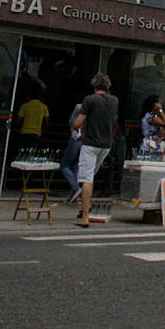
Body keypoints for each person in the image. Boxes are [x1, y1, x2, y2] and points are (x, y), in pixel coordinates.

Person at [71, 73, 118, 228]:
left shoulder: (89, 100)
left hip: (90, 144)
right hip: (106, 144)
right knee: (91, 175)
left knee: (86, 179)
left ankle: (85, 216)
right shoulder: (114, 101)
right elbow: (114, 121)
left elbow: (78, 122)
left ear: (94, 85)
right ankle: (83, 207)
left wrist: (73, 125)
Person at [60, 103, 83, 204]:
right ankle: (73, 195)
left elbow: (72, 123)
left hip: (76, 138)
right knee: (77, 165)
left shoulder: (79, 107)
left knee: (64, 165)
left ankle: (75, 187)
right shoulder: (95, 109)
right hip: (86, 141)